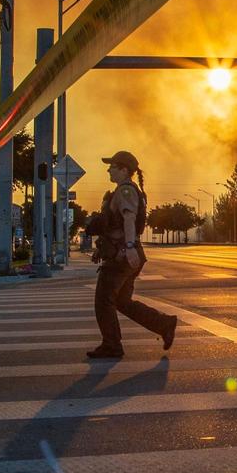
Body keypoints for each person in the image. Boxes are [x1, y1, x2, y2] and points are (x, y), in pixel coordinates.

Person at [87, 151, 178, 359]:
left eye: (112, 166)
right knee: (122, 301)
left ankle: (112, 345)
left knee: (103, 300)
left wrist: (128, 247)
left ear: (124, 170)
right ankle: (164, 324)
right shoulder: (123, 190)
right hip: (125, 253)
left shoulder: (126, 191)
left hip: (122, 255)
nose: (108, 169)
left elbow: (129, 219)